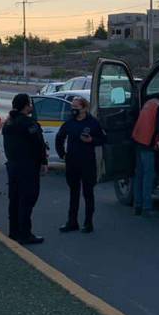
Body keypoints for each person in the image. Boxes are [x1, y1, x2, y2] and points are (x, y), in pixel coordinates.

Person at [55, 96, 106, 233]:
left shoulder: (93, 123)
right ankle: (72, 222)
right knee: (73, 193)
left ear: (84, 108)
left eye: (76, 108)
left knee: (88, 193)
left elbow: (102, 139)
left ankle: (88, 223)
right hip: (72, 162)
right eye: (72, 107)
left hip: (87, 163)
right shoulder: (69, 122)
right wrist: (63, 154)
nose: (73, 110)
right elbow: (59, 138)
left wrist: (91, 140)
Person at [2, 93, 48, 244]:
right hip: (27, 167)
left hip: (13, 166)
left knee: (14, 199)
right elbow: (39, 145)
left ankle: (14, 231)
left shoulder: (8, 123)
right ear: (25, 105)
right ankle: (25, 234)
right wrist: (43, 162)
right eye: (29, 104)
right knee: (27, 200)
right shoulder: (29, 123)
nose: (31, 107)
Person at [130, 88, 159, 217]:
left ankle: (137, 205)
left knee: (139, 174)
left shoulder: (149, 103)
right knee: (148, 175)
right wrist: (158, 144)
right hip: (148, 143)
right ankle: (147, 207)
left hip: (138, 140)